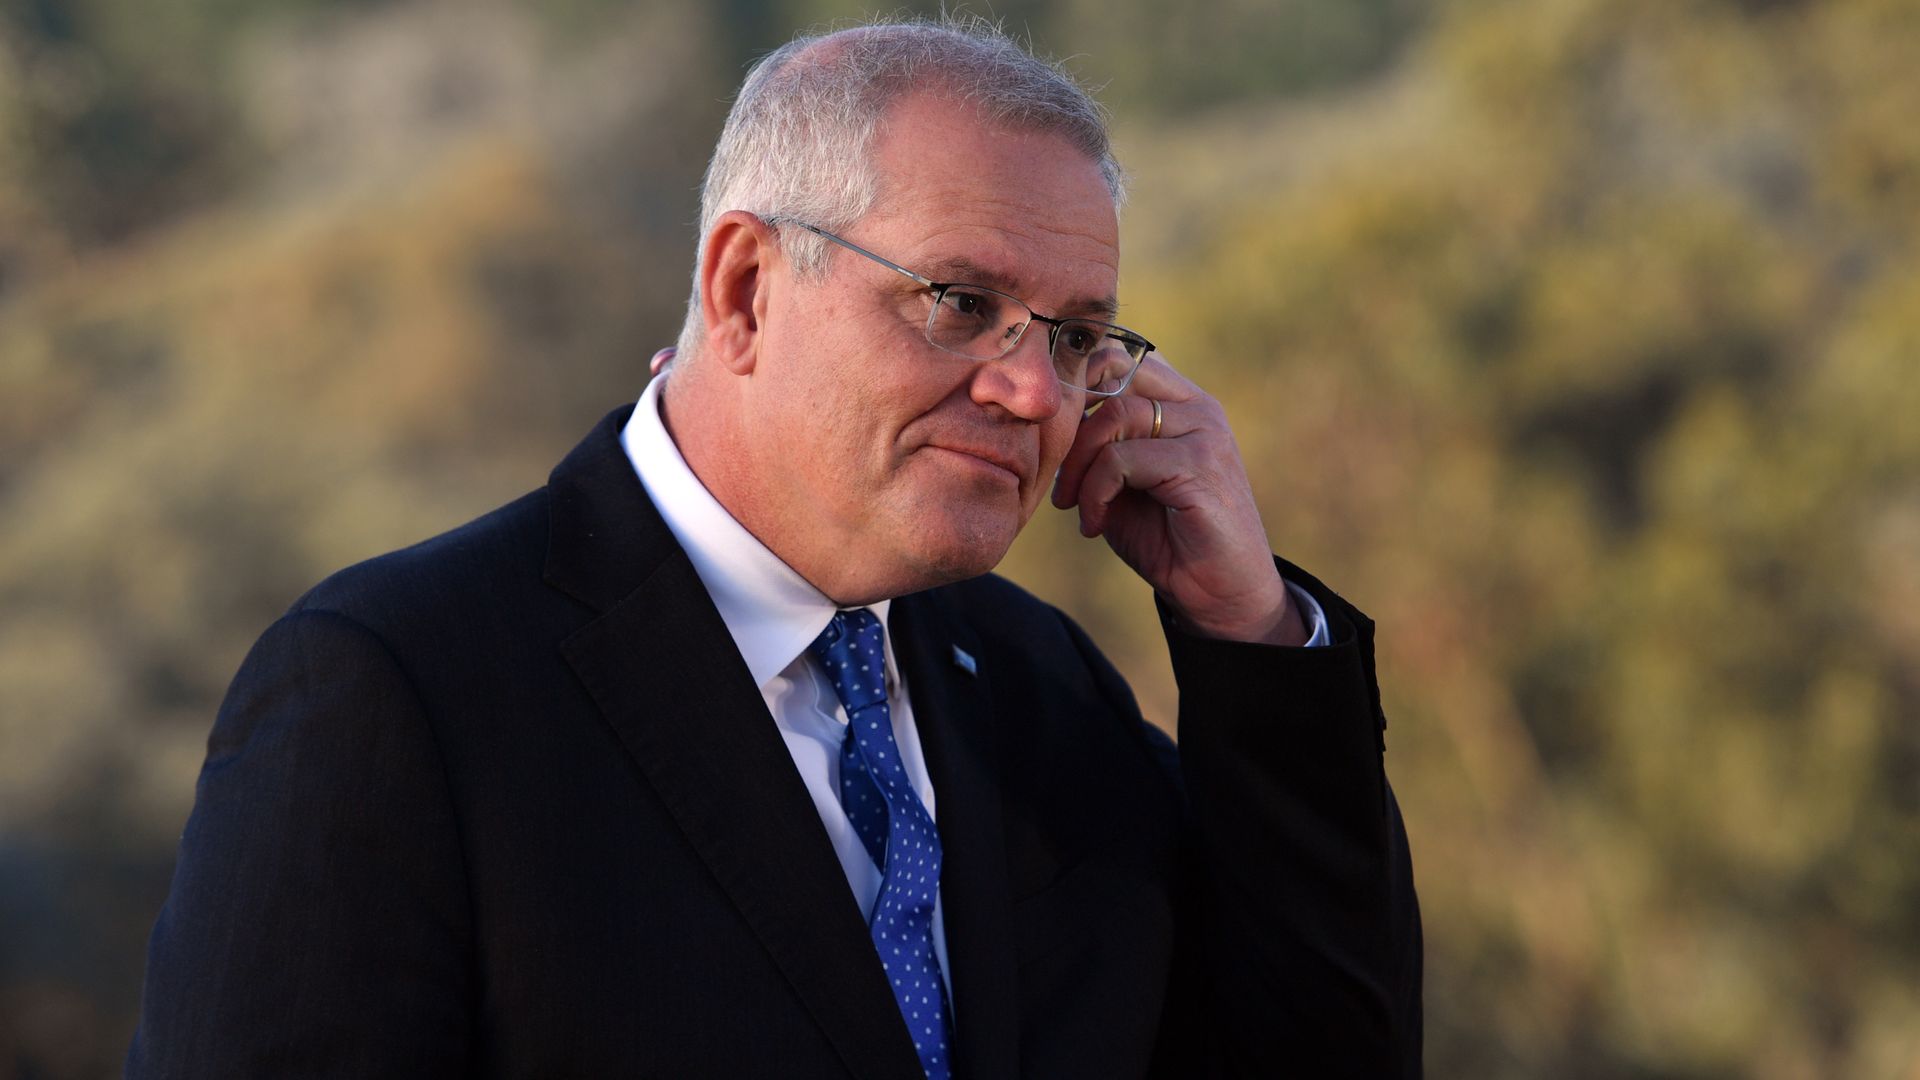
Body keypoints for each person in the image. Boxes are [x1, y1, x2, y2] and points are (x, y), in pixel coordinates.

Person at [127, 17, 1421, 1079]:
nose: (1035, 393)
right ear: (746, 287)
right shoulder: (394, 690)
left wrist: (1252, 637)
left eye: (1078, 335)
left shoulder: (1039, 684)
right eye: (960, 304)